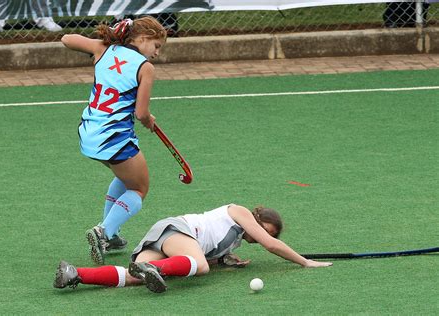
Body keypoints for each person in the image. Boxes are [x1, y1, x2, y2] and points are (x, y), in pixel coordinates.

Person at [61, 17, 167, 265]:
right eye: (157, 46)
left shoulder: (103, 49)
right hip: (114, 138)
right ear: (142, 38)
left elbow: (66, 39)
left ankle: (113, 233)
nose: (157, 53)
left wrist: (107, 38)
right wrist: (149, 120)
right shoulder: (145, 68)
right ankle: (103, 232)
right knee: (139, 188)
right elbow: (141, 113)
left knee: (124, 177)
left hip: (89, 134)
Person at [54, 204, 333, 293]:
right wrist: (304, 262)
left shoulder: (234, 239)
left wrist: (223, 259)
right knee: (198, 266)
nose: (258, 239)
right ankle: (154, 267)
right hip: (178, 230)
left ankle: (75, 274)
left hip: (168, 238)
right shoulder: (240, 210)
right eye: (262, 232)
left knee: (135, 277)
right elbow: (271, 245)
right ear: (258, 220)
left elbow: (216, 244)